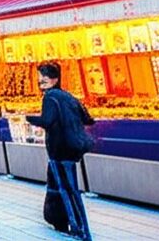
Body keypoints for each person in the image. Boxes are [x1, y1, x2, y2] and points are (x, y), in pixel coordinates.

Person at [27, 63, 95, 241]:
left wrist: (29, 118)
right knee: (73, 189)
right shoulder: (68, 96)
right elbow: (88, 119)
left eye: (45, 77)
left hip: (58, 150)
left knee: (65, 189)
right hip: (72, 150)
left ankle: (76, 227)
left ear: (55, 79)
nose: (41, 80)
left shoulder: (49, 97)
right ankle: (84, 228)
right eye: (40, 77)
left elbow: (47, 121)